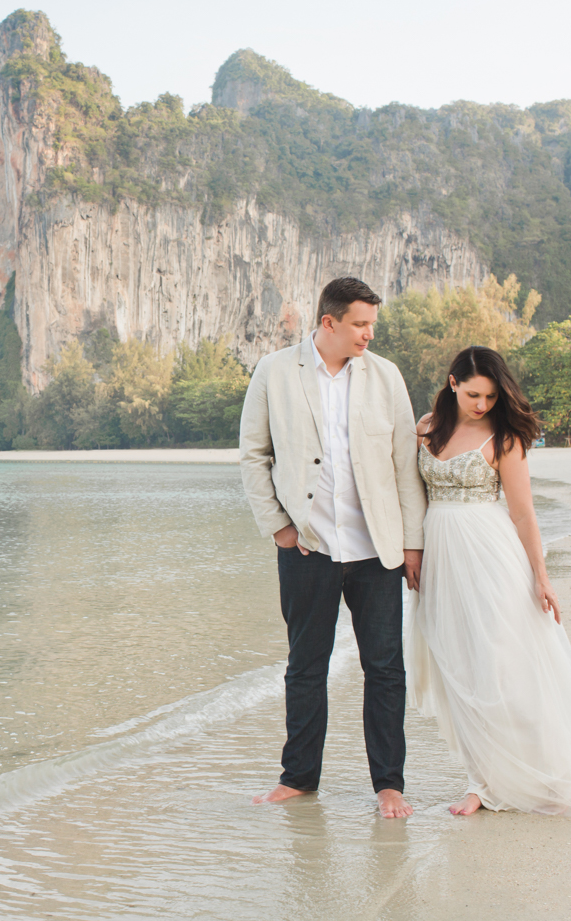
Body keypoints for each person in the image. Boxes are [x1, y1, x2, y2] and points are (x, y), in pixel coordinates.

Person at [407, 346, 571, 816]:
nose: (482, 404)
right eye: (474, 394)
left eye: (490, 396)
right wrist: (410, 551)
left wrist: (542, 578)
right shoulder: (425, 428)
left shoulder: (504, 437)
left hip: (490, 555)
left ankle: (545, 773)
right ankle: (482, 780)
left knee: (502, 665)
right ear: (452, 383)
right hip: (441, 559)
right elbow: (408, 496)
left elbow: (523, 514)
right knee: (459, 667)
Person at [239, 277, 427, 817]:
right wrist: (279, 527)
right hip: (307, 546)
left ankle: (389, 784)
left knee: (386, 668)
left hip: (375, 549)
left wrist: (412, 545)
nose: (369, 334)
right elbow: (254, 454)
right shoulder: (275, 371)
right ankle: (298, 778)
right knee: (305, 667)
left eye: (372, 325)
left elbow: (404, 465)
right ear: (329, 322)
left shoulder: (385, 376)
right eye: (360, 324)